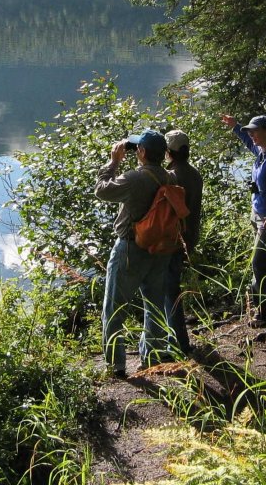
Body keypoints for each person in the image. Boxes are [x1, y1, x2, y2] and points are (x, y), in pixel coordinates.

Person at [95, 128, 173, 378]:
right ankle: (151, 357)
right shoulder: (171, 178)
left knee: (114, 308)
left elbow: (102, 190)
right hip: (161, 248)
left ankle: (116, 366)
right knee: (154, 305)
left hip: (131, 248)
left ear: (141, 152)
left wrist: (114, 161)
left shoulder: (134, 178)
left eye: (137, 147)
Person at [220, 113, 266, 326]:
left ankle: (265, 312)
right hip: (259, 216)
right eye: (250, 131)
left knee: (259, 261)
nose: (251, 134)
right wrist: (236, 127)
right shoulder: (262, 152)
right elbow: (247, 142)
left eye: (254, 131)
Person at [162, 129, 203, 355]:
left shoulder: (172, 176)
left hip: (173, 240)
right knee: (171, 287)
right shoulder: (194, 174)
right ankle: (177, 340)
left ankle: (179, 343)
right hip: (189, 238)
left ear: (169, 152)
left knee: (169, 290)